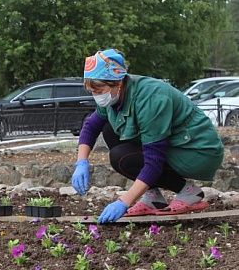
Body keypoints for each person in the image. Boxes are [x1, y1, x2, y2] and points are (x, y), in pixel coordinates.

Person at [71, 48, 224, 223]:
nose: (97, 96)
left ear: (118, 82)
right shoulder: (115, 96)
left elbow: (153, 162)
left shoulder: (150, 99)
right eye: (93, 91)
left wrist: (124, 201)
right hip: (176, 145)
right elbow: (91, 126)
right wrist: (81, 162)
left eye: (100, 90)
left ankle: (188, 192)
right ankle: (153, 197)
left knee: (121, 157)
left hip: (198, 150)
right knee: (110, 130)